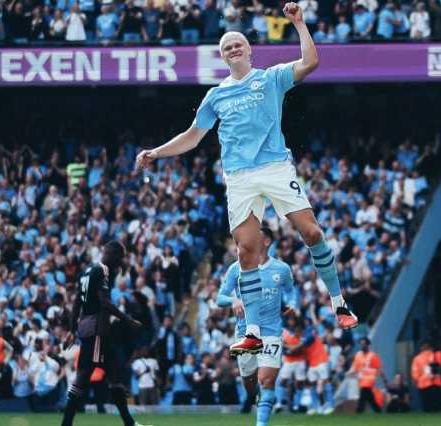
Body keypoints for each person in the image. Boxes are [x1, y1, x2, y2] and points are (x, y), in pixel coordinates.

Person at [136, 2, 358, 357]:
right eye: (226, 47)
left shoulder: (270, 78)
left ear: (249, 49)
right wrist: (156, 152)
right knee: (246, 251)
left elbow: (311, 63)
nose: (233, 49)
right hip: (238, 177)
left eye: (237, 43)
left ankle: (339, 302)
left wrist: (299, 24)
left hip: (274, 167)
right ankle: (252, 330)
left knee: (312, 232)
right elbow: (193, 136)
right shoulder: (216, 95)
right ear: (223, 57)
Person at [60, 240, 150, 426]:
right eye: (120, 258)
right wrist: (128, 319)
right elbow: (104, 303)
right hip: (97, 331)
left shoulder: (86, 271)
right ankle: (65, 424)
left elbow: (77, 301)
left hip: (90, 328)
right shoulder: (103, 270)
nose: (120, 262)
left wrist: (72, 329)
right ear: (113, 255)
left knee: (115, 375)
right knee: (83, 376)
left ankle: (129, 423)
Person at [217, 226, 296, 423]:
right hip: (244, 334)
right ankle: (256, 396)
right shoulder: (236, 268)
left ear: (267, 241)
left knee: (267, 381)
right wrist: (233, 301)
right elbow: (220, 297)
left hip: (271, 331)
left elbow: (291, 291)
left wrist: (291, 305)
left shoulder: (282, 269)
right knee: (250, 385)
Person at [276, 317, 307, 413]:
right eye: (289, 320)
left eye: (292, 319)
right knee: (283, 381)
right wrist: (290, 348)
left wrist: (289, 347)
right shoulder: (284, 332)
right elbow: (283, 346)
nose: (291, 321)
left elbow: (300, 348)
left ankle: (297, 405)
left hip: (300, 360)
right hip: (289, 361)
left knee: (299, 383)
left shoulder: (300, 331)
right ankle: (279, 403)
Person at [349, 337, 385, 413]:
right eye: (361, 344)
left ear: (368, 345)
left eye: (364, 344)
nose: (362, 346)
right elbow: (355, 366)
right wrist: (351, 372)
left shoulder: (373, 355)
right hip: (361, 380)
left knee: (362, 398)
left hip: (369, 381)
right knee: (370, 399)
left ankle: (358, 412)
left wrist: (383, 378)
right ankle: (378, 411)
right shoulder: (358, 355)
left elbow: (378, 367)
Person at [411, 340, 441, 412]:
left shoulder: (417, 358)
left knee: (427, 409)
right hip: (436, 384)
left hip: (423, 385)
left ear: (422, 347)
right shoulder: (437, 355)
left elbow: (415, 375)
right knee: (438, 409)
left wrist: (416, 381)